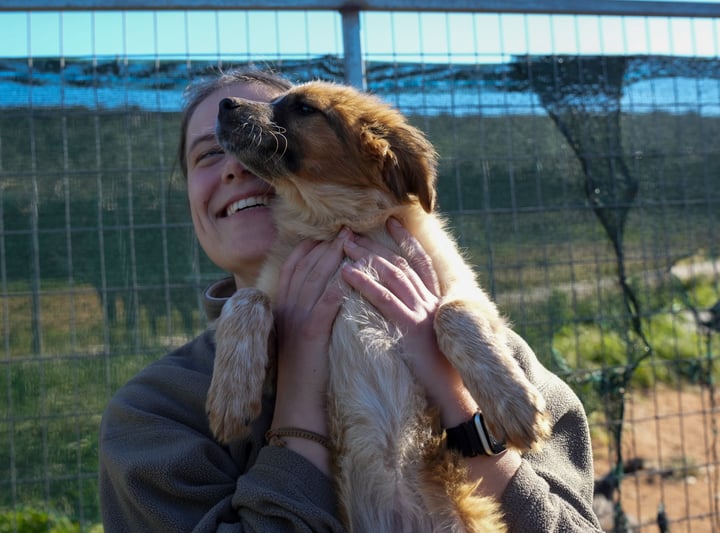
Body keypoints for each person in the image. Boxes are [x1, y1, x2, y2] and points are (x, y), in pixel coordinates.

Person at [98, 67, 601, 532]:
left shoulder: (513, 360)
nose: (235, 167)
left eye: (300, 111)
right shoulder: (154, 414)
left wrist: (454, 394)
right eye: (208, 154)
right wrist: (294, 381)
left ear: (371, 151)